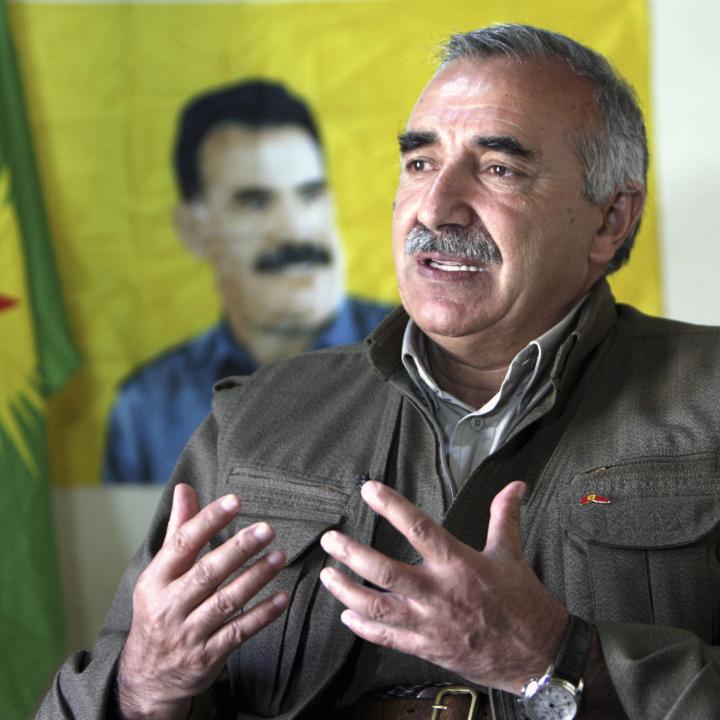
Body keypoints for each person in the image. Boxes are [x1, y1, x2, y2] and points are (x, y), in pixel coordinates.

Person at [40, 23, 720, 720]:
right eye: (420, 163)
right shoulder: (255, 418)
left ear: (610, 219)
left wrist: (555, 660)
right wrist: (142, 686)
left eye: (499, 169)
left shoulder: (709, 399)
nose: (435, 206)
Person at [103, 80, 392, 484]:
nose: (296, 231)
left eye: (310, 195)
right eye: (256, 203)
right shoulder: (148, 410)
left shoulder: (424, 357)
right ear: (192, 230)